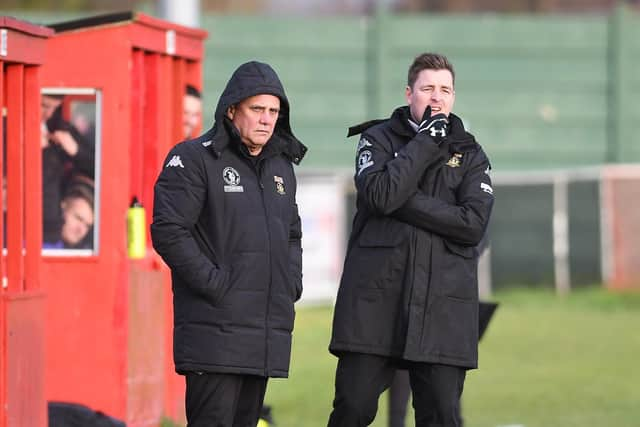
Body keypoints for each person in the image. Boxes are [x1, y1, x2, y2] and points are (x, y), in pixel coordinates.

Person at [327, 52, 495, 427]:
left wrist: (403, 202)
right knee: (352, 410)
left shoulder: (471, 154)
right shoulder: (377, 139)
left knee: (441, 416)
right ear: (409, 93)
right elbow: (381, 195)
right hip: (375, 305)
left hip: (442, 312)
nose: (437, 97)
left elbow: (472, 224)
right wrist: (424, 141)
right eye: (428, 88)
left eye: (445, 90)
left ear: (454, 97)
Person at [151, 61, 307, 427]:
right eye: (257, 109)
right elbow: (168, 231)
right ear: (232, 109)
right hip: (213, 333)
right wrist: (217, 284)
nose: (267, 120)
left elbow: (292, 234)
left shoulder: (281, 168)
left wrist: (290, 282)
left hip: (262, 334)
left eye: (273, 111)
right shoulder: (192, 158)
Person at [41, 94, 94, 244]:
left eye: (55, 107)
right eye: (44, 105)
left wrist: (75, 151)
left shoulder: (58, 127)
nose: (48, 113)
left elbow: (103, 169)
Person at [43, 178, 95, 250]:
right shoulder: (41, 244)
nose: (81, 230)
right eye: (78, 218)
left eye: (87, 226)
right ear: (63, 206)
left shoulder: (85, 252)